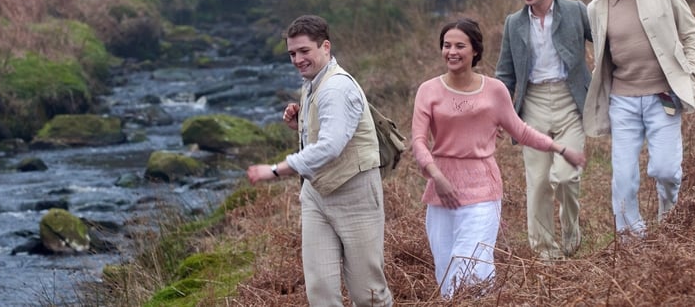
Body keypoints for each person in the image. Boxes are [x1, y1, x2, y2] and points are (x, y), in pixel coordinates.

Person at [411, 18, 586, 298]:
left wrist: (560, 149)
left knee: (471, 267)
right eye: (446, 46)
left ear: (475, 51)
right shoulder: (428, 90)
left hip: (482, 188)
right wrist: (437, 175)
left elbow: (521, 130)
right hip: (440, 191)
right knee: (445, 273)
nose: (451, 52)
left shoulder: (494, 90)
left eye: (459, 46)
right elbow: (418, 142)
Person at [247, 15, 393, 306]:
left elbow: (331, 146)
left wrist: (277, 170)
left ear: (325, 46)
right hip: (316, 196)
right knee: (321, 294)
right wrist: (302, 122)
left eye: (304, 51)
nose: (298, 59)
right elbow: (326, 130)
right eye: (292, 53)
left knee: (368, 295)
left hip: (356, 194)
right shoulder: (312, 82)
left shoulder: (337, 87)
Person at [583, 0, 695, 238]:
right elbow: (601, 56)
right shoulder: (595, 8)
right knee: (623, 178)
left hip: (663, 97)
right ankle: (631, 241)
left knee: (665, 171)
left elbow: (692, 34)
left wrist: (691, 75)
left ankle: (669, 217)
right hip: (622, 101)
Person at [495, 0, 593, 260]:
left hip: (570, 101)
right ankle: (546, 253)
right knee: (537, 182)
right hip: (533, 104)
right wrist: (498, 111)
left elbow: (604, 42)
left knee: (564, 177)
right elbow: (505, 72)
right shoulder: (514, 23)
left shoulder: (576, 11)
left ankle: (570, 229)